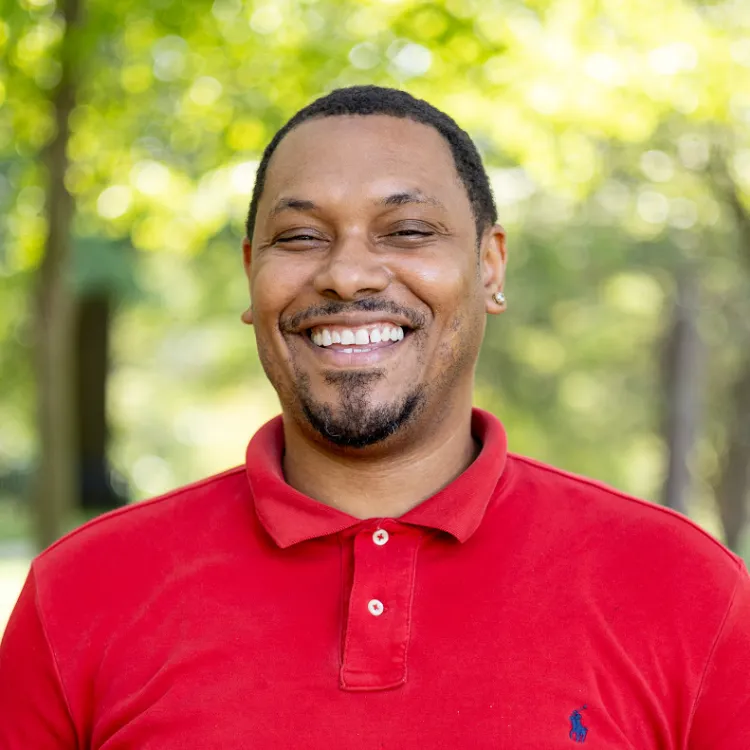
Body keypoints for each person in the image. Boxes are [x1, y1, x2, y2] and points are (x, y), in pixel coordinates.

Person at [0, 85, 748, 749]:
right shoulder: (79, 594)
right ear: (250, 272)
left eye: (408, 231)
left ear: (490, 267)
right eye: (299, 237)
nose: (348, 273)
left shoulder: (690, 593)